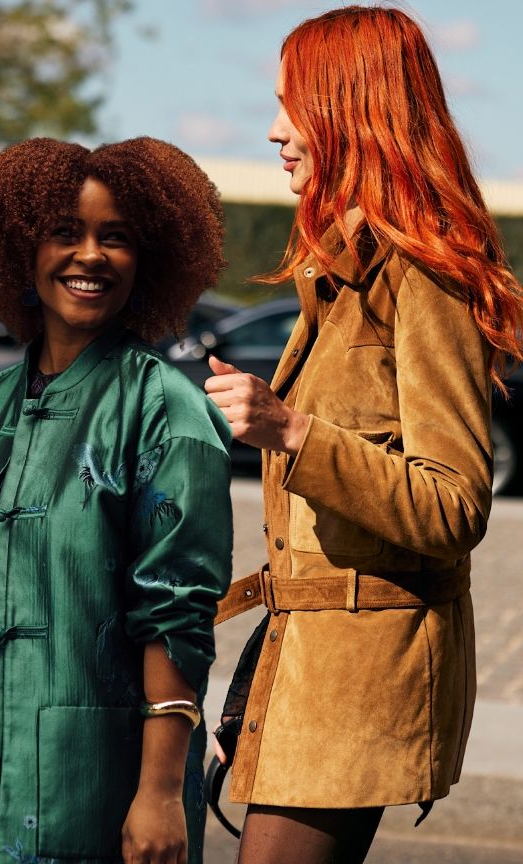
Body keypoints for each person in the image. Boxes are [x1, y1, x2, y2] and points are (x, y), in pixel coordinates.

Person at [204, 6, 523, 864]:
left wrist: (291, 429)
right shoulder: (343, 266)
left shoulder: (425, 275)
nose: (275, 132)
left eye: (294, 106)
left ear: (358, 111)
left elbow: (456, 504)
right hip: (305, 669)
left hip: (359, 689)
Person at [0, 136, 234, 864]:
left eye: (117, 238)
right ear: (22, 250)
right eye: (64, 233)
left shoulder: (165, 408)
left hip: (103, 789)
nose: (90, 256)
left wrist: (163, 791)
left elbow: (178, 614)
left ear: (150, 261)